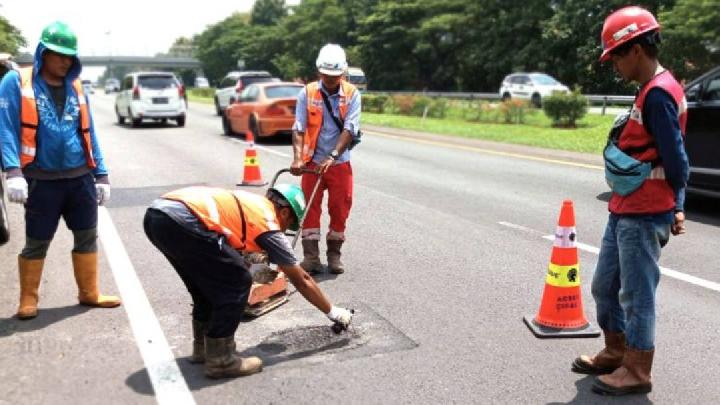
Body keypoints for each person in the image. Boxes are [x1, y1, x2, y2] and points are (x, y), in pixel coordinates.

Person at [571, 6, 690, 396]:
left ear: (636, 50)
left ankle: (637, 370)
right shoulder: (649, 89)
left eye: (616, 56)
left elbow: (676, 158)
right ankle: (616, 350)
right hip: (625, 208)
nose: (615, 65)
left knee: (637, 296)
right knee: (605, 287)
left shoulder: (658, 95)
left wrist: (677, 203)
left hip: (644, 213)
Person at [143, 184, 354, 379]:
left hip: (158, 216)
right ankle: (221, 361)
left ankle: (204, 350)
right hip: (183, 221)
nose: (284, 230)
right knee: (237, 282)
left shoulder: (252, 205)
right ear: (284, 212)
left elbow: (225, 249)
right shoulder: (268, 222)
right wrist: (333, 312)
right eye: (289, 224)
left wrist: (251, 266)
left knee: (204, 286)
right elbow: (303, 279)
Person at [0, 21, 120, 320]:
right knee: (37, 241)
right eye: (58, 54)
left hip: (79, 178)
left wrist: (101, 175)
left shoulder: (77, 85)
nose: (65, 61)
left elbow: (89, 131)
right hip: (42, 181)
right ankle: (28, 298)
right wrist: (13, 171)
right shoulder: (16, 82)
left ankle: (89, 292)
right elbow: (6, 129)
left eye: (70, 56)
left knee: (87, 235)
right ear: (43, 52)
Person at [290, 43, 361, 275]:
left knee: (340, 208)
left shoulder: (352, 94)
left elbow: (350, 128)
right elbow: (299, 127)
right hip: (311, 162)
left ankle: (334, 255)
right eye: (326, 75)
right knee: (309, 209)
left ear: (343, 73)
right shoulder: (307, 92)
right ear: (319, 72)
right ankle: (311, 257)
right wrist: (298, 158)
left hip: (339, 163)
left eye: (335, 75)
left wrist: (333, 155)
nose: (330, 79)